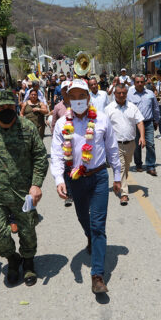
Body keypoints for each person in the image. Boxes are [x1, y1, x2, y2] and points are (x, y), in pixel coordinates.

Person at [0, 90, 49, 286]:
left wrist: (36, 185)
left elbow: (40, 157)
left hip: (24, 193)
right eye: (2, 107)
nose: (7, 110)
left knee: (27, 231)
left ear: (15, 106)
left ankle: (28, 262)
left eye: (10, 106)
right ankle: (13, 259)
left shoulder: (27, 127)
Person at [50, 79, 122, 294]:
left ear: (88, 98)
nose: (79, 100)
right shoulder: (62, 124)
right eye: (74, 97)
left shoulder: (101, 120)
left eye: (82, 96)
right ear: (68, 99)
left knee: (98, 225)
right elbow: (55, 155)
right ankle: (89, 237)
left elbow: (112, 148)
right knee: (84, 218)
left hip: (99, 176)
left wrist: (117, 176)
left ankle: (97, 275)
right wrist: (59, 180)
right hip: (76, 179)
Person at [104, 84, 146, 206]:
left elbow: (140, 122)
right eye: (118, 93)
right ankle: (124, 194)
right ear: (114, 94)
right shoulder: (109, 108)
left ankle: (119, 181)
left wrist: (142, 137)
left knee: (126, 167)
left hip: (131, 144)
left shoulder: (132, 107)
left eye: (124, 93)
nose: (121, 95)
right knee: (121, 167)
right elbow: (104, 126)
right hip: (115, 145)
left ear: (126, 94)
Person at [127, 74, 160, 176]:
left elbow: (155, 108)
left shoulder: (150, 94)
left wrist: (156, 121)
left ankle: (150, 166)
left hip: (148, 122)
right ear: (134, 83)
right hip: (135, 124)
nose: (140, 84)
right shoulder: (129, 95)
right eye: (137, 82)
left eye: (142, 82)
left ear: (145, 82)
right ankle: (138, 164)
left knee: (150, 144)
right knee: (136, 145)